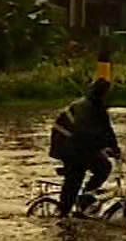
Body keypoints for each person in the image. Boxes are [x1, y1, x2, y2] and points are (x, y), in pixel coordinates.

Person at [51, 77, 120, 217]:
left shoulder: (98, 107)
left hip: (81, 146)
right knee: (76, 176)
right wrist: (103, 147)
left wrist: (114, 147)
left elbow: (107, 130)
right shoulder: (84, 107)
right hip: (67, 146)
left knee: (104, 167)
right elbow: (86, 133)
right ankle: (63, 211)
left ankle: (85, 198)